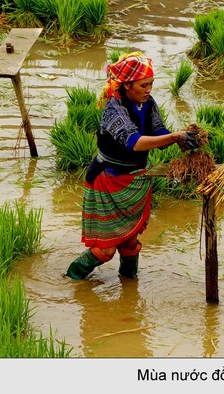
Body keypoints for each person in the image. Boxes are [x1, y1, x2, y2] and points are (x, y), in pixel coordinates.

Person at [65, 52, 198, 280]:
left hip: (135, 181)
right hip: (108, 180)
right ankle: (71, 280)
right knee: (106, 249)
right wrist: (174, 137)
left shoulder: (148, 103)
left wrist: (181, 140)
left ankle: (129, 287)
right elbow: (134, 143)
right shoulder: (114, 109)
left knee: (130, 241)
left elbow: (158, 132)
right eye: (144, 85)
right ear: (127, 85)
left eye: (151, 84)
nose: (149, 89)